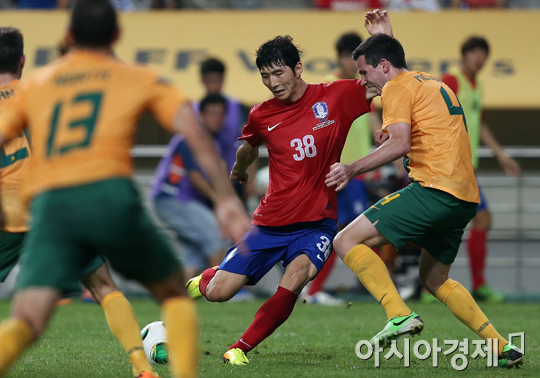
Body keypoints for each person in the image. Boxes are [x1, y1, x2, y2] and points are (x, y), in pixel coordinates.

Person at [0, 2, 250, 378]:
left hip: (52, 207)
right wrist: (226, 201)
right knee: (172, 294)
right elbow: (193, 131)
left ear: (68, 37)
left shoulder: (39, 82)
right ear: (118, 36)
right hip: (110, 199)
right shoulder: (139, 77)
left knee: (28, 318)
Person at [186, 12, 416, 366]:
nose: (272, 82)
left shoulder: (336, 96)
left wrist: (387, 38)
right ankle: (205, 280)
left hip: (317, 222)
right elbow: (249, 146)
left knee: (297, 278)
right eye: (265, 76)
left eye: (278, 73)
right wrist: (239, 168)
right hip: (269, 223)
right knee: (219, 293)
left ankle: (240, 349)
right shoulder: (262, 114)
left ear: (298, 68)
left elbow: (395, 81)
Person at [325, 30, 522, 367]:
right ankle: (502, 346)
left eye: (363, 72)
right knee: (433, 278)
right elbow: (415, 123)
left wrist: (351, 168)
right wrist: (384, 33)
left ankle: (398, 313)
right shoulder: (425, 81)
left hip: (433, 189)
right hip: (464, 197)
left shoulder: (396, 87)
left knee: (345, 240)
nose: (361, 80)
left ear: (383, 66)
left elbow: (400, 144)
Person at [0, 26, 161, 377]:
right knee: (104, 287)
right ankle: (141, 366)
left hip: (8, 208)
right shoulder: (44, 91)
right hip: (56, 204)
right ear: (23, 60)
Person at [440, 36, 520, 303]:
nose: (479, 57)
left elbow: (480, 125)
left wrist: (501, 155)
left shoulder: (477, 86)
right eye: (474, 52)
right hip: (448, 166)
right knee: (438, 225)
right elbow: (432, 114)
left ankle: (477, 285)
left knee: (479, 221)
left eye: (483, 53)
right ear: (464, 54)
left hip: (466, 168)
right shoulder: (451, 80)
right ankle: (431, 284)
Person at [151, 94, 228, 279]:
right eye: (211, 114)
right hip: (172, 199)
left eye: (220, 114)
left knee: (193, 255)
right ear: (200, 115)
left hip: (174, 200)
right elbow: (196, 178)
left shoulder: (210, 142)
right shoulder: (191, 138)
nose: (216, 119)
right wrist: (222, 203)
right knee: (217, 236)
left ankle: (183, 297)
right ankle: (219, 288)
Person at [193, 57, 251, 204]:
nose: (213, 86)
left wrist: (251, 178)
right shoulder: (193, 110)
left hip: (234, 180)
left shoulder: (237, 108)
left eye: (217, 80)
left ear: (223, 80)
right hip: (207, 181)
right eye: (209, 80)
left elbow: (249, 143)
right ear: (202, 80)